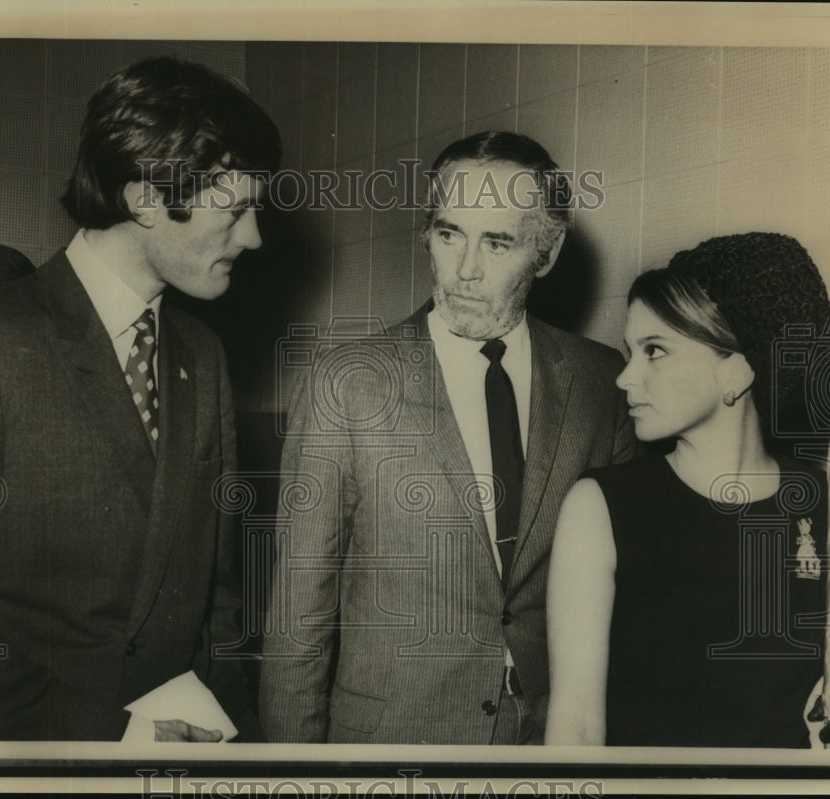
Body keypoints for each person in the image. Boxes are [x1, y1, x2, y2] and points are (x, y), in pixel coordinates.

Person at [259, 131, 638, 744]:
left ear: (547, 251)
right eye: (447, 233)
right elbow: (298, 616)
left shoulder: (602, 383)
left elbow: (631, 597)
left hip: (547, 744)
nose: (465, 270)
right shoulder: (347, 384)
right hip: (393, 744)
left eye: (497, 242)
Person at [0, 56, 281, 741]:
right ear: (146, 197)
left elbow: (216, 591)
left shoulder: (203, 353)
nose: (254, 237)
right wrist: (109, 733)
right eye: (235, 209)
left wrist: (240, 735)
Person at [545, 232, 830, 748]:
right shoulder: (602, 508)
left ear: (738, 370)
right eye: (628, 352)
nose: (625, 378)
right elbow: (575, 730)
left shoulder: (826, 501)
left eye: (655, 351)